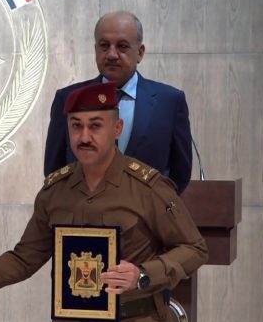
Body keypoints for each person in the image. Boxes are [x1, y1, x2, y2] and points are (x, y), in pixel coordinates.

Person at [0, 81, 208, 322]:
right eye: (76, 126)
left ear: (117, 128)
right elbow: (23, 259)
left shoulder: (147, 187)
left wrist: (144, 275)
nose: (84, 136)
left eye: (95, 126)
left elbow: (194, 248)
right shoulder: (56, 191)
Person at [43, 11, 193, 194]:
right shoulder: (68, 98)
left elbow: (180, 174)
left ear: (140, 52)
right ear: (96, 50)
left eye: (122, 46)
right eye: (104, 46)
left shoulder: (169, 102)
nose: (112, 54)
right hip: (83, 209)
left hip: (146, 210)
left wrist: (155, 205)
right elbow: (54, 171)